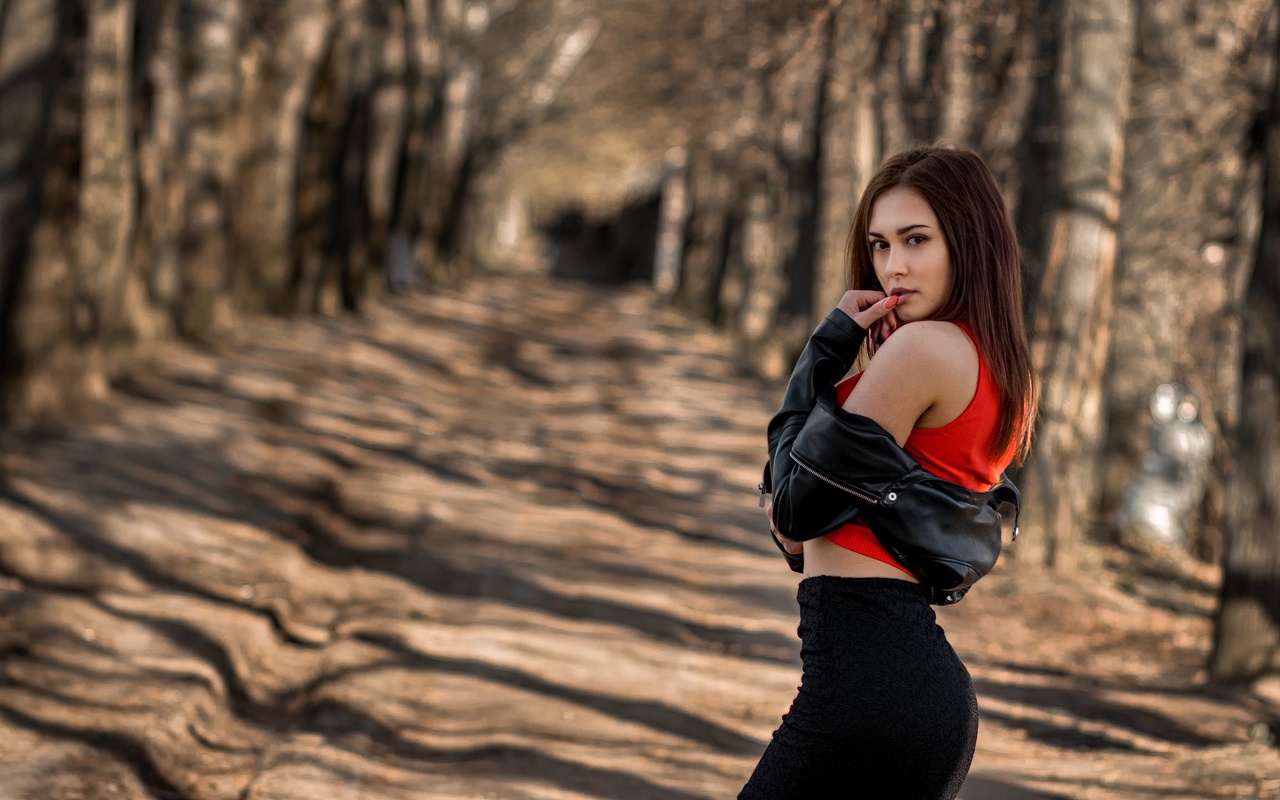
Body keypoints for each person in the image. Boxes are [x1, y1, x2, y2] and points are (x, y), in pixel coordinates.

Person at [740, 144, 1038, 799]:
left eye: (916, 239)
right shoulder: (994, 362)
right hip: (897, 687)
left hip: (868, 687)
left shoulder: (922, 349)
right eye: (879, 244)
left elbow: (793, 516)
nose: (892, 266)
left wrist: (823, 351)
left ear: (968, 242)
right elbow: (806, 518)